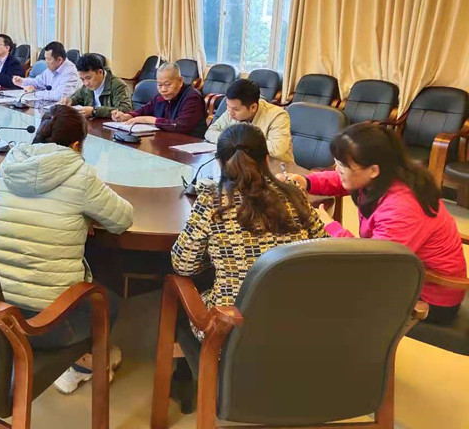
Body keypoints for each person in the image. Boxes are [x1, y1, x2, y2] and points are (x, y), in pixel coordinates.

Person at [0, 105, 133, 393]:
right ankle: (80, 367)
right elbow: (122, 219)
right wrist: (85, 213)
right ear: (77, 145)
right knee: (110, 301)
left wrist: (77, 214)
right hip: (47, 324)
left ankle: (73, 358)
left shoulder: (10, 165)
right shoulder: (80, 174)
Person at [278, 122, 467, 325]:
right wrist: (307, 182)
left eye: (343, 165)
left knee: (318, 288)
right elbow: (342, 180)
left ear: (373, 170)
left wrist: (329, 225)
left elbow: (374, 262)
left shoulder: (402, 207)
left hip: (430, 297)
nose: (338, 169)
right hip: (404, 272)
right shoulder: (388, 175)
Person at [172, 124, 328, 342]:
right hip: (297, 325)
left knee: (188, 288)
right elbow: (324, 249)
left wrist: (219, 258)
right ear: (267, 160)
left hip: (231, 333)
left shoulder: (211, 201)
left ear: (219, 163)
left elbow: (183, 264)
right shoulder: (294, 195)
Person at [205, 78, 294, 163]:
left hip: (276, 168)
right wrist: (234, 141)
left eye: (236, 109)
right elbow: (210, 132)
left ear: (253, 107)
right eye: (228, 106)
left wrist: (236, 141)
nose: (230, 113)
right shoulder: (232, 110)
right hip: (243, 165)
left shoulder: (278, 116)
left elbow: (277, 149)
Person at [111, 62, 206, 137]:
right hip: (166, 140)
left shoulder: (192, 97)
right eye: (159, 85)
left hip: (189, 144)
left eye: (167, 84)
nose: (163, 90)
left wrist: (149, 120)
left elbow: (180, 126)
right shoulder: (162, 96)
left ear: (180, 81)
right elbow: (146, 109)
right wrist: (127, 116)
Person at [59, 54, 132, 119]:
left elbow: (125, 110)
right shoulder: (86, 86)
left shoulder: (118, 85)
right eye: (82, 79)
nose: (86, 83)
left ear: (100, 72)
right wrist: (70, 100)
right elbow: (78, 98)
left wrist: (94, 111)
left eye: (88, 78)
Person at [12, 41, 79, 102]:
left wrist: (35, 93)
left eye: (48, 59)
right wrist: (22, 81)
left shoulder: (70, 71)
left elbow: (61, 96)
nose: (46, 62)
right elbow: (38, 82)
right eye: (45, 58)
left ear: (59, 60)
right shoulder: (51, 69)